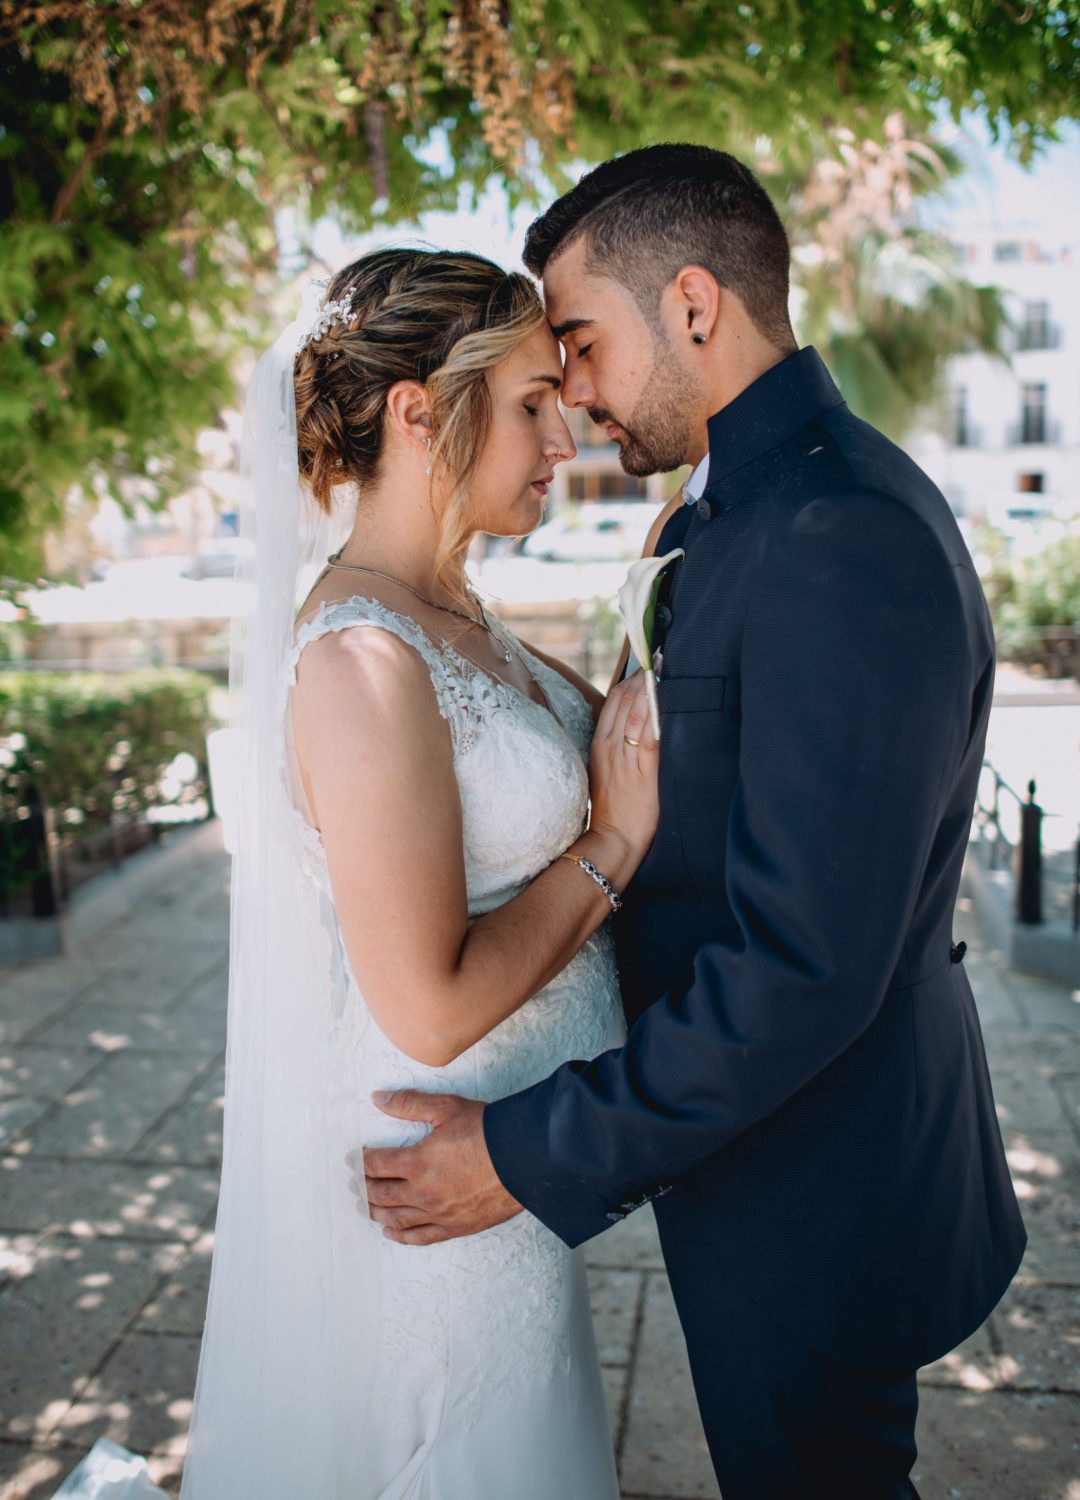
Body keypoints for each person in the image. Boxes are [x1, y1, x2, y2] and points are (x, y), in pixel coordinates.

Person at [361, 146, 1029, 1499]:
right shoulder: (738, 512)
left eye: (585, 344)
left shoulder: (841, 532)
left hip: (818, 1188)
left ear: (697, 306)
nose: (578, 393)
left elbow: (805, 963)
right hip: (754, 1158)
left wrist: (524, 1151)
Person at [172, 248, 661, 1498]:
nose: (566, 440)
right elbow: (428, 1006)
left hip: (508, 1172)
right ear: (416, 411)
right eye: (531, 405)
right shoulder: (360, 665)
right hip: (430, 1191)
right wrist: (610, 845)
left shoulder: (456, 613)